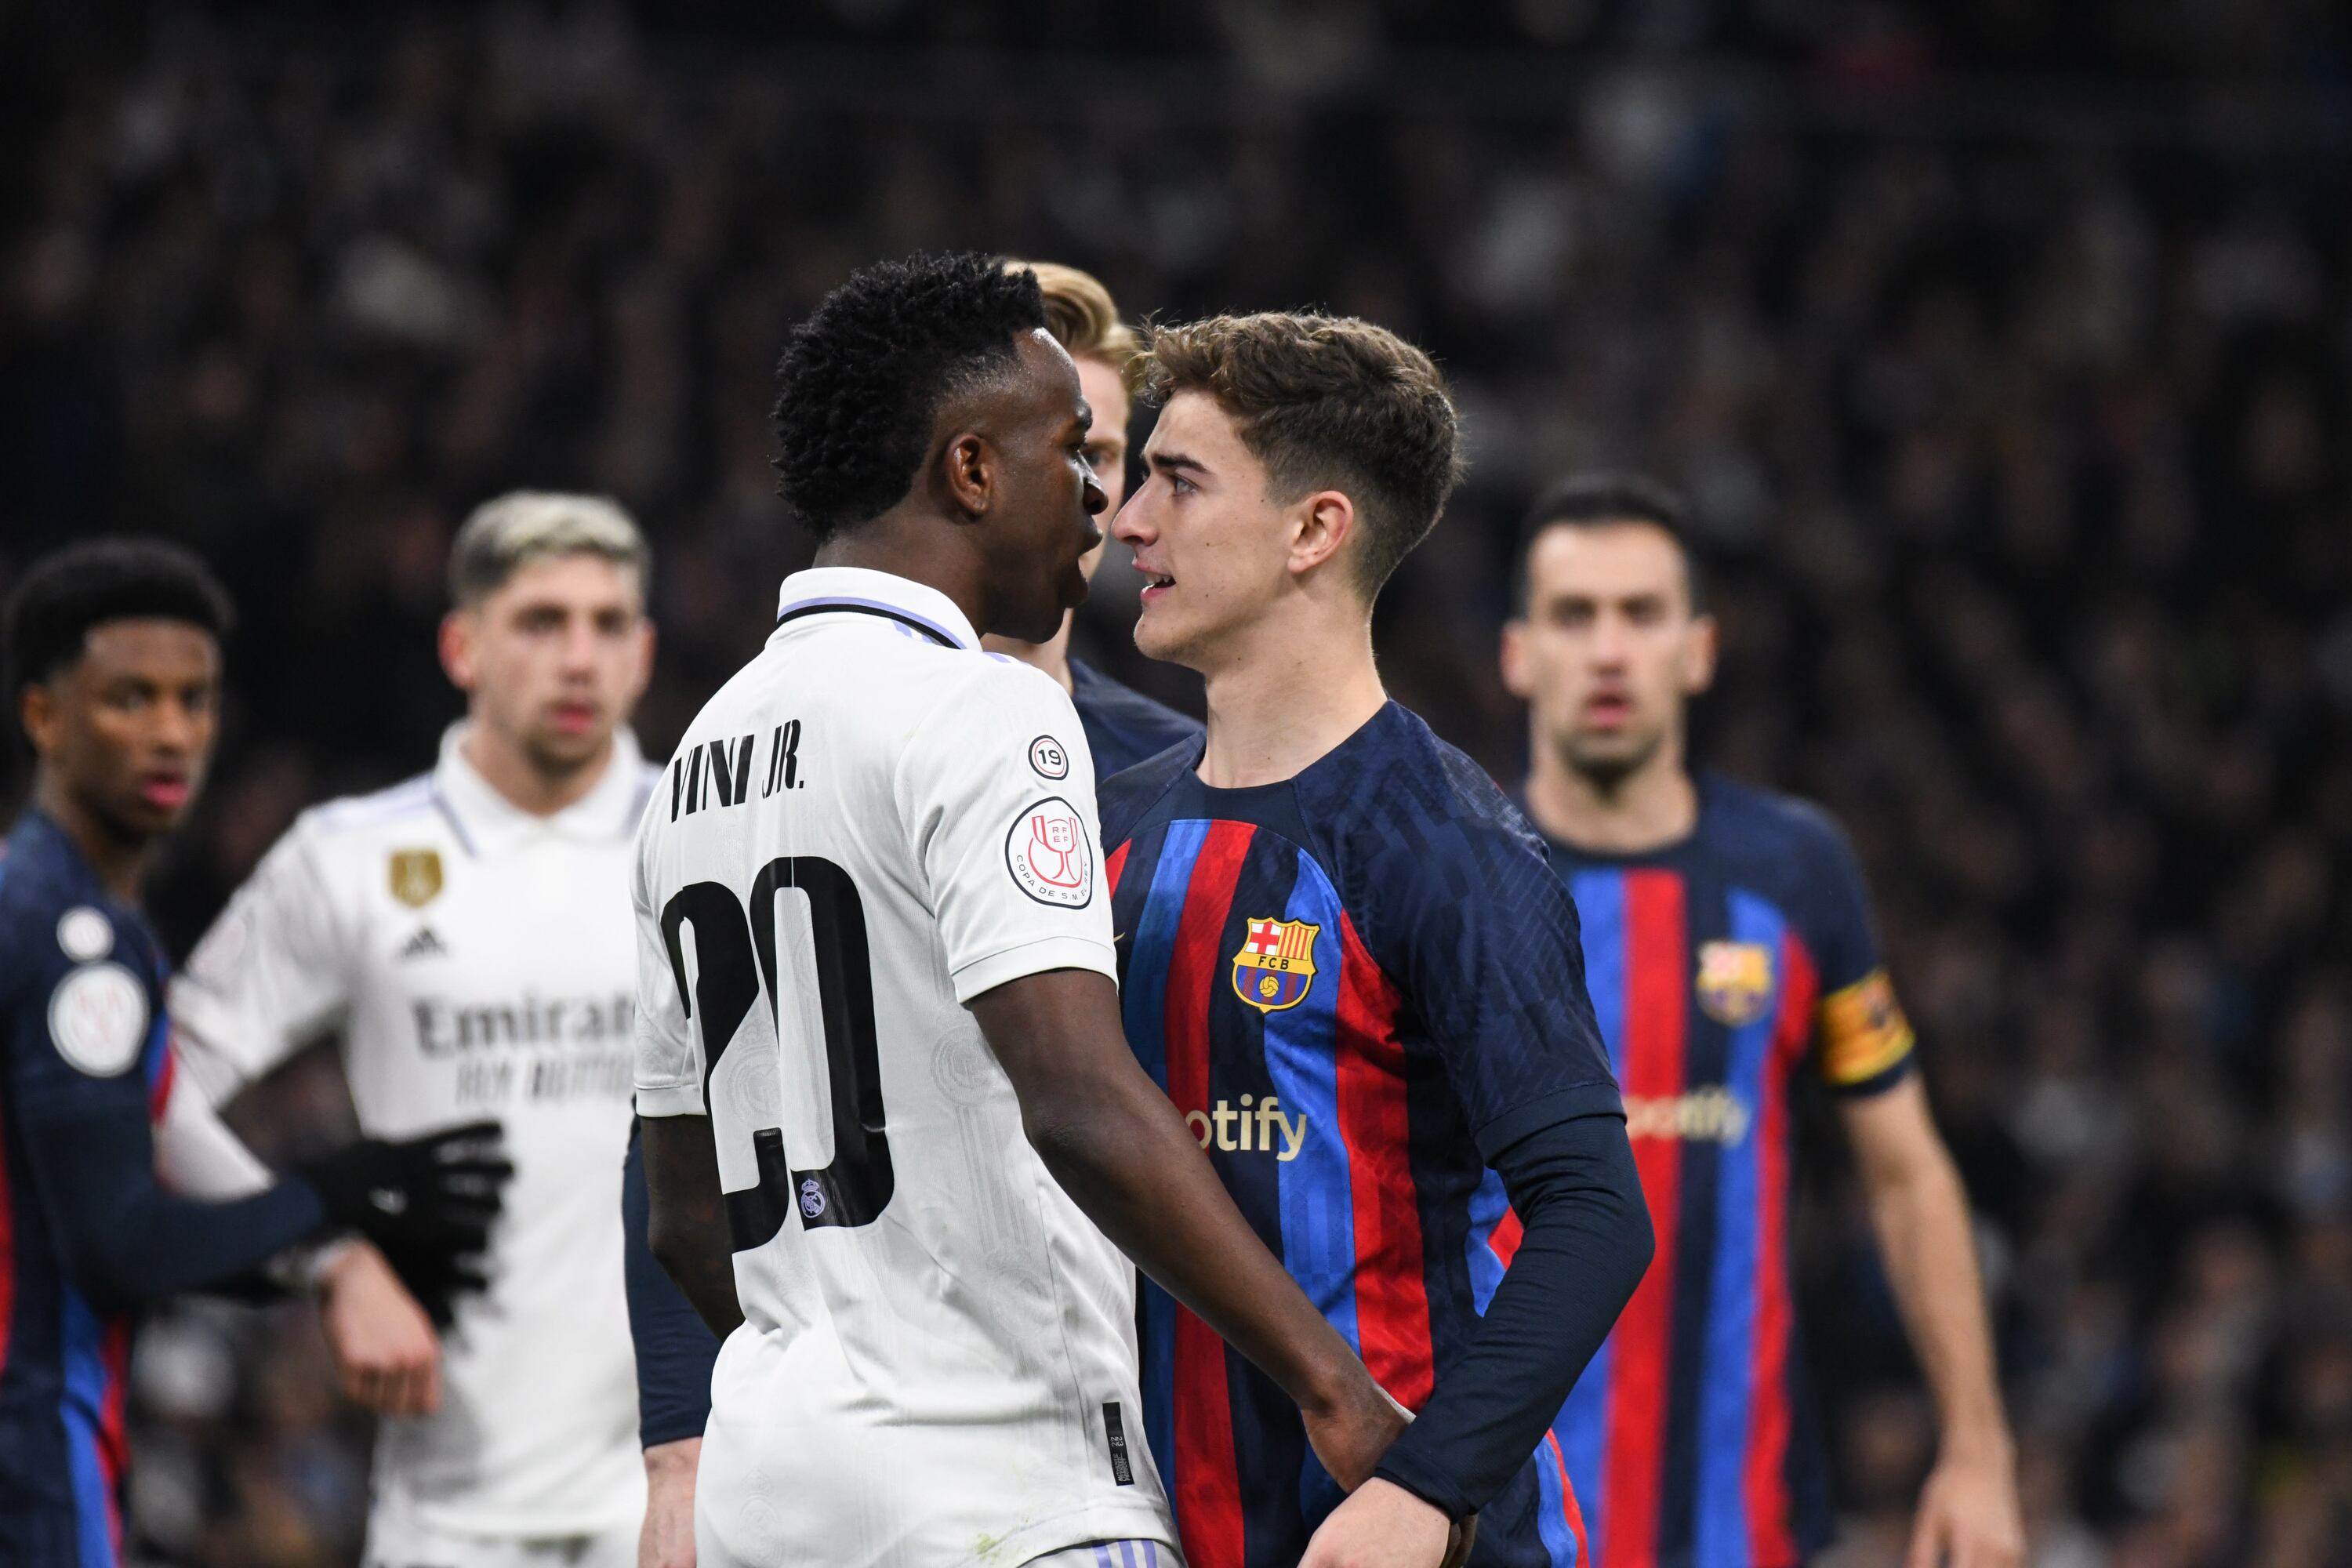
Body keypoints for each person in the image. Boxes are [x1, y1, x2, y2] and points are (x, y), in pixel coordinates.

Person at [630, 252, 1405, 1568]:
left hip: (771, 1488)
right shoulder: (989, 711)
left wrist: (840, 1329)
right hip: (1004, 1494)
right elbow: (1079, 1100)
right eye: (1072, 453)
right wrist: (1333, 1386)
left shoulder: (697, 759)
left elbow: (682, 1217)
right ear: (972, 472)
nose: (1098, 501)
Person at [1101, 312, 1654, 1568]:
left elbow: (1594, 1215)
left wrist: (1426, 1489)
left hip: (1400, 1536)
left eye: (1178, 482)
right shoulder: (1111, 824)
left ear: (1316, 530)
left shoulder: (1443, 845)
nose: (1130, 521)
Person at [1497, 474, 2025, 1568]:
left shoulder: (1796, 872)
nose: (1608, 650)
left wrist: (1977, 1448)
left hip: (1742, 1521)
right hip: (1496, 1520)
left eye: (1641, 615)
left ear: (1698, 650)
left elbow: (1907, 1173)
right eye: (1573, 615)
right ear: (1518, 653)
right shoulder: (1451, 869)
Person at [170, 495, 660, 1568]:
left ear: (645, 651)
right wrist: (330, 1257)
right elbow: (154, 1094)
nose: (578, 657)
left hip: (681, 1498)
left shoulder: (709, 844)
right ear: (461, 645)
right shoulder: (347, 859)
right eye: (540, 622)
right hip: (448, 1515)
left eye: (607, 623)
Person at [0, 539, 507, 1566]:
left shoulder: (61, 914)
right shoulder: (71, 943)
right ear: (45, 718)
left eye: (194, 701)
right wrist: (330, 1196)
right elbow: (119, 1248)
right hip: (34, 1460)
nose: (171, 735)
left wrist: (325, 1259)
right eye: (128, 700)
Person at [980, 260, 1202, 775]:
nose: (1077, 493)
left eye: (1098, 456)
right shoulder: (821, 739)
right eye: (1041, 452)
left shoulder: (1184, 772)